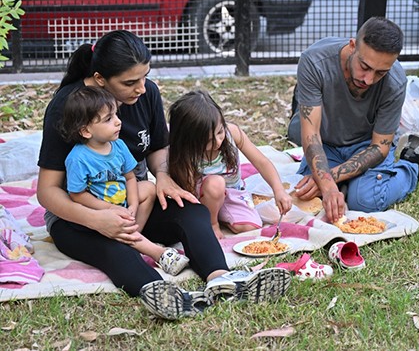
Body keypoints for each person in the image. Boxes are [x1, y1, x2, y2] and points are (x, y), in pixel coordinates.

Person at [37, 30, 290, 320]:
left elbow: (158, 148)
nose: (141, 88)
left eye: (145, 77)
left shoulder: (147, 94)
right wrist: (97, 219)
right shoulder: (68, 107)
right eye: (130, 82)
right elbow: (47, 192)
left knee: (191, 210)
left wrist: (163, 175)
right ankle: (164, 294)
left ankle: (222, 279)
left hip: (135, 205)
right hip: (80, 217)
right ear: (99, 79)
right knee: (114, 250)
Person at [286, 16, 419, 223]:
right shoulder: (314, 61)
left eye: (380, 73)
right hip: (326, 143)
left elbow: (379, 148)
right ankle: (348, 183)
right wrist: (327, 185)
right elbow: (311, 136)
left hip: (366, 145)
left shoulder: (395, 81)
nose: (369, 80)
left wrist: (329, 179)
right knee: (309, 193)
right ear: (353, 45)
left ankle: (413, 165)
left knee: (365, 201)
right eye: (364, 66)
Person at [60, 86, 189, 275]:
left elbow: (130, 177)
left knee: (148, 187)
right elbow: (77, 195)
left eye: (116, 115)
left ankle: (131, 235)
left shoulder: (118, 146)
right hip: (101, 209)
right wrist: (108, 209)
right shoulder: (78, 159)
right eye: (108, 119)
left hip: (124, 203)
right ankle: (158, 253)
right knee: (117, 218)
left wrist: (134, 204)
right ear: (86, 131)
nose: (119, 122)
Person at [168, 90, 293, 239]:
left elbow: (261, 161)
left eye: (220, 132)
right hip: (202, 194)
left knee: (249, 226)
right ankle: (212, 222)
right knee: (216, 184)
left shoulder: (232, 132)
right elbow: (188, 190)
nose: (218, 141)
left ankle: (222, 213)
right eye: (208, 141)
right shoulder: (187, 152)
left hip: (232, 192)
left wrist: (278, 190)